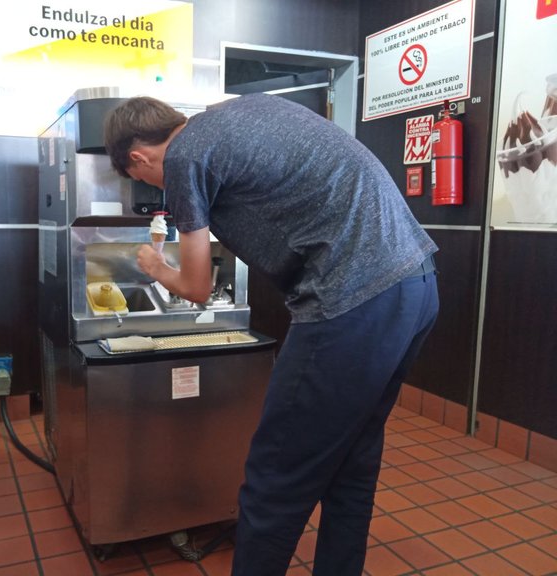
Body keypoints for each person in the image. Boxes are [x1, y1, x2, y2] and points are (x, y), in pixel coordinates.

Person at [103, 93, 439, 576]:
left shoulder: (184, 157)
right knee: (353, 460)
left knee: (276, 476)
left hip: (350, 301)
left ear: (138, 157)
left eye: (143, 180)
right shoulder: (245, 107)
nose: (155, 187)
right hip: (417, 283)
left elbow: (196, 287)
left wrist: (155, 265)